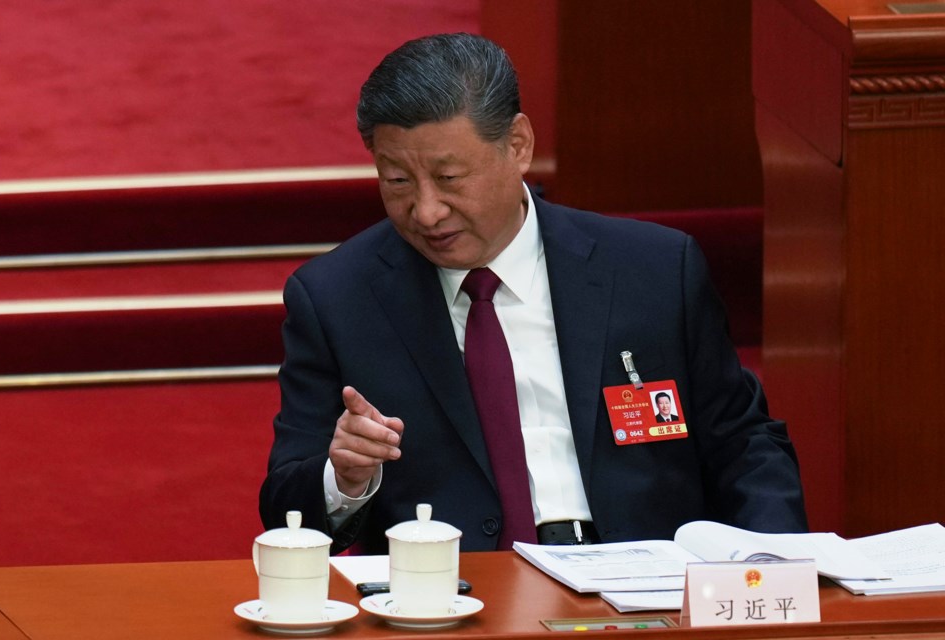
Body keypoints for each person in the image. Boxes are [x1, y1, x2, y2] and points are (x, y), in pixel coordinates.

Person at [259, 32, 807, 554]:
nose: (425, 211)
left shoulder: (654, 269)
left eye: (449, 178)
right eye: (397, 181)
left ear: (517, 145)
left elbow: (745, 446)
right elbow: (287, 506)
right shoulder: (337, 298)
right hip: (452, 597)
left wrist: (777, 566)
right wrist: (345, 478)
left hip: (641, 581)